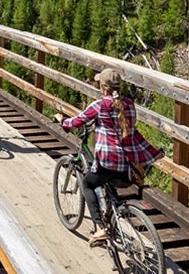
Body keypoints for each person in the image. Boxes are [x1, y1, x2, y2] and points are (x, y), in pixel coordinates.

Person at [53, 68, 164, 246]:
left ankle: (100, 229)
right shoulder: (129, 104)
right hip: (128, 164)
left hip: (108, 161)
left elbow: (75, 122)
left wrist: (61, 120)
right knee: (107, 182)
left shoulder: (99, 105)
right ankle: (113, 215)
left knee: (88, 184)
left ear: (102, 86)